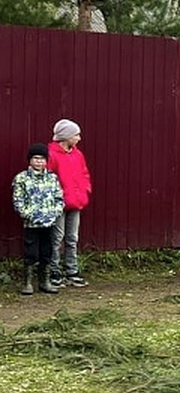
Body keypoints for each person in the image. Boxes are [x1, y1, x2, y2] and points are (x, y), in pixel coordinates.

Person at [12, 142, 64, 296]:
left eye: (42, 159)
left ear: (46, 161)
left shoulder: (52, 178)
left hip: (49, 223)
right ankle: (27, 283)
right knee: (31, 253)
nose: (39, 162)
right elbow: (18, 201)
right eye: (35, 158)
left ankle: (45, 281)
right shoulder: (22, 178)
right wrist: (32, 215)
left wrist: (54, 213)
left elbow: (59, 198)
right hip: (31, 223)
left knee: (46, 252)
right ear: (30, 160)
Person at [47, 119, 93, 287]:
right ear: (66, 137)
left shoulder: (77, 154)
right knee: (57, 238)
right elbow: (48, 178)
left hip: (76, 201)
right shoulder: (52, 155)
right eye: (76, 135)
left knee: (72, 237)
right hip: (59, 203)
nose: (79, 138)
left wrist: (85, 190)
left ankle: (71, 270)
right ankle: (54, 271)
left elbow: (84, 173)